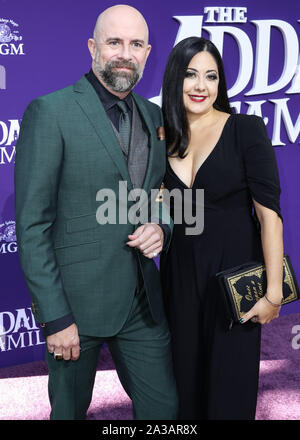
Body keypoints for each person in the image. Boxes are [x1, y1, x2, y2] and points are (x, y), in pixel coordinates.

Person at [14, 5, 178, 420]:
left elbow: (159, 194)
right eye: (114, 42)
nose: (125, 52)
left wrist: (163, 225)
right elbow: (33, 226)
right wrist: (55, 317)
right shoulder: (50, 112)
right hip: (75, 309)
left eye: (136, 44)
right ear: (92, 47)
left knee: (164, 414)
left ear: (147, 52)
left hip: (142, 304)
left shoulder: (155, 116)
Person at [160, 36, 284, 420]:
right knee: (183, 388)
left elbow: (269, 216)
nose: (201, 86)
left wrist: (275, 294)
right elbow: (159, 208)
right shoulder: (161, 135)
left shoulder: (245, 129)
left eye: (211, 77)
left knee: (229, 392)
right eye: (191, 74)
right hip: (179, 280)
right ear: (174, 79)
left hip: (235, 280)